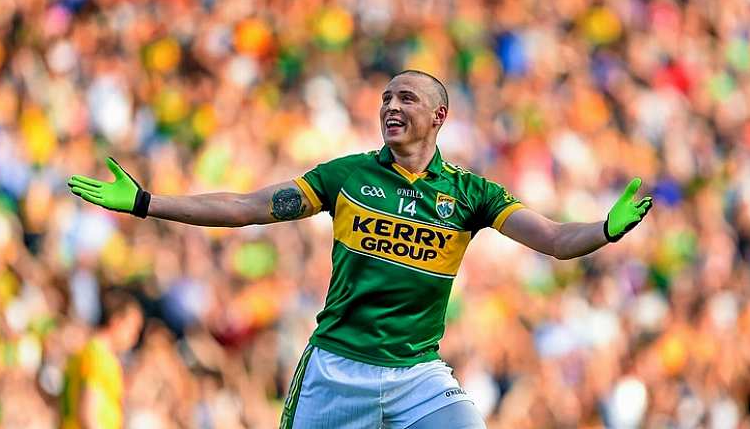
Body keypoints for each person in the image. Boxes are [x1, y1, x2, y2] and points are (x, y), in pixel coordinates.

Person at [67, 70, 652, 429]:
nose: (391, 107)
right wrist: (147, 202)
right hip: (335, 371)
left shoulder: (473, 193)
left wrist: (604, 227)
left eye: (407, 99)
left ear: (439, 116)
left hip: (417, 374)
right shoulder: (346, 176)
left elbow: (551, 239)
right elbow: (246, 206)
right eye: (386, 98)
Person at [60, 288, 144, 429]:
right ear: (117, 322)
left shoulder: (88, 351)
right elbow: (87, 414)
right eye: (133, 328)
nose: (134, 337)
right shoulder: (98, 357)